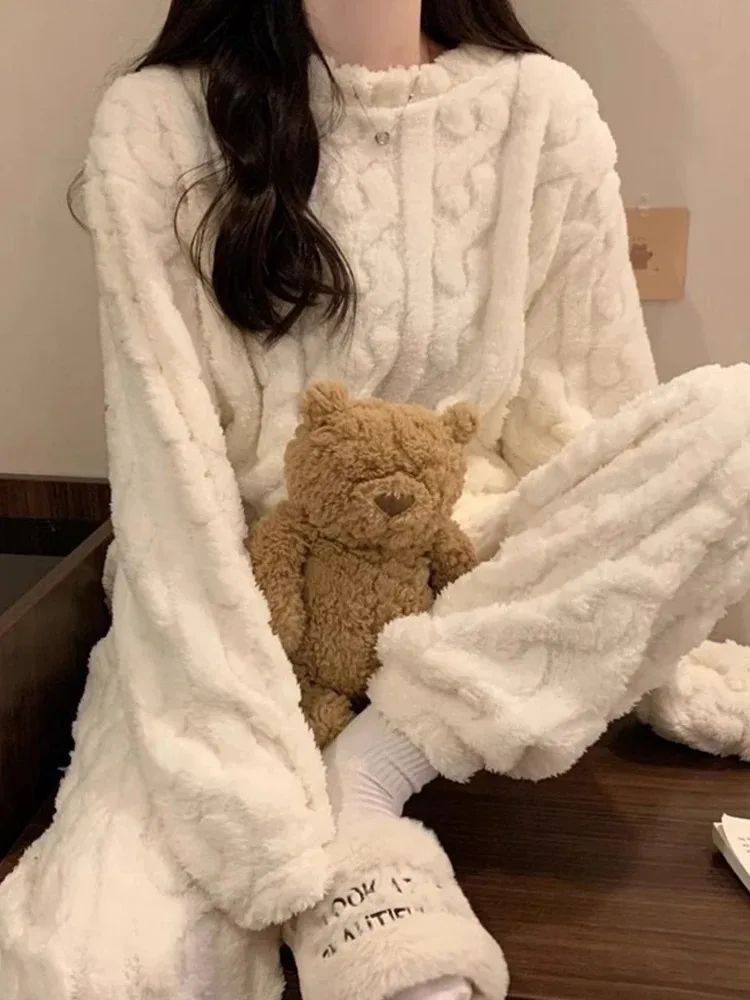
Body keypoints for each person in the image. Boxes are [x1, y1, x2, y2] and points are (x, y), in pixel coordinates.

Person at [2, 1, 750, 998]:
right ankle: (322, 812)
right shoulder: (156, 124)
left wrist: (642, 645)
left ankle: (370, 768)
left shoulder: (543, 110)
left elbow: (584, 437)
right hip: (266, 595)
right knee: (97, 965)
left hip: (468, 582)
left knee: (738, 425)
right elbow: (169, 485)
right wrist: (246, 773)